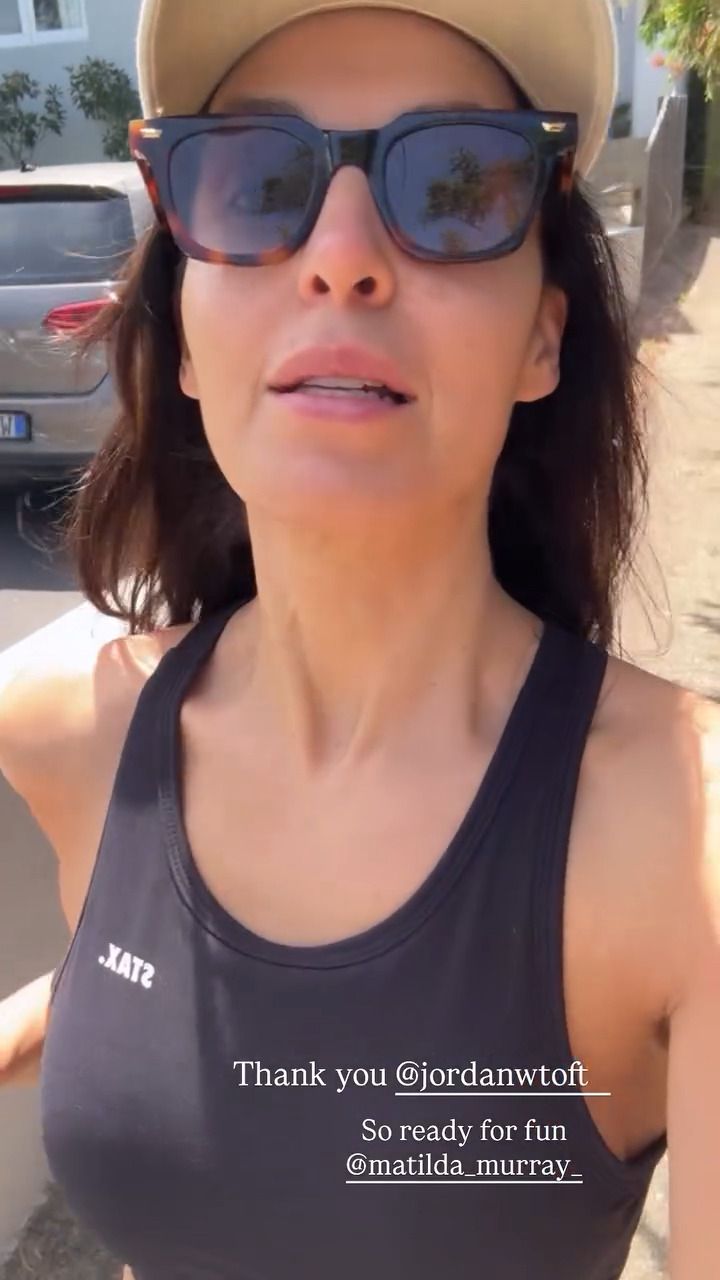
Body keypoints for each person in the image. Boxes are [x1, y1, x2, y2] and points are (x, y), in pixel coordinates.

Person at [0, 0, 718, 1276]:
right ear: (187, 337)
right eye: (253, 179)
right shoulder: (65, 725)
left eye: (455, 182)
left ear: (542, 336)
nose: (339, 256)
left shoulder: (690, 846)